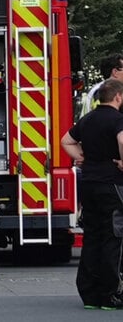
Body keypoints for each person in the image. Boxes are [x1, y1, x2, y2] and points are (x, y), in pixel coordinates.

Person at [60, 78, 123, 310]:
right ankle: (111, 294)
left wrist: (81, 157)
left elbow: (65, 141)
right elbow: (122, 139)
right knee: (113, 238)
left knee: (92, 237)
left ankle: (90, 294)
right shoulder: (118, 120)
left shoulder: (87, 119)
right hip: (111, 185)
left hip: (88, 184)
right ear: (117, 97)